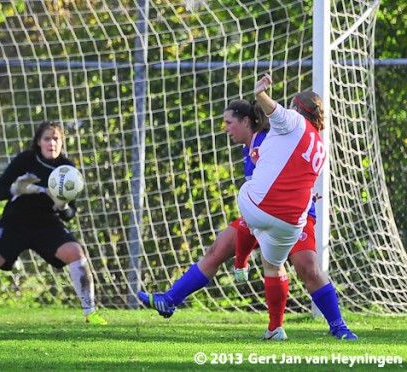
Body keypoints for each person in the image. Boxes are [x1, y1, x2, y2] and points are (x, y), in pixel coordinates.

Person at [138, 96, 357, 340]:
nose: (226, 128)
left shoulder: (266, 140)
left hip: (297, 214)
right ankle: (170, 300)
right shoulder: (251, 146)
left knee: (308, 269)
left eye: (229, 122)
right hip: (271, 213)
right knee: (218, 250)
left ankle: (338, 326)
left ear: (245, 122)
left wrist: (241, 259)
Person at [0, 121, 107, 325]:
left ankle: (90, 312)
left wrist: (62, 205)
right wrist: (16, 189)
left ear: (62, 143)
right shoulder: (25, 160)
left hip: (47, 224)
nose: (52, 143)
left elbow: (69, 214)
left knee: (76, 253)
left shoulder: (66, 168)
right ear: (39, 142)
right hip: (16, 221)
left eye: (56, 138)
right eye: (47, 138)